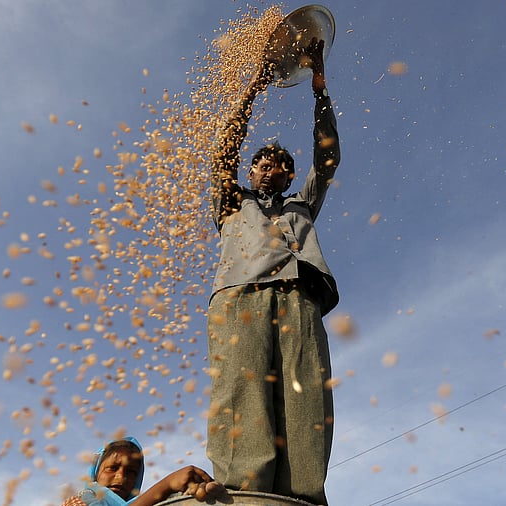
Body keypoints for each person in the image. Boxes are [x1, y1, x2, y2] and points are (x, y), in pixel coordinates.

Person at [207, 37, 340, 506]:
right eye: (261, 164)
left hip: (299, 300)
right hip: (240, 296)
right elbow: (224, 149)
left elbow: (327, 158)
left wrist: (319, 88)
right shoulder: (231, 202)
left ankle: (302, 497)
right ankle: (245, 495)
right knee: (242, 394)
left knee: (305, 403)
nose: (268, 170)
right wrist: (252, 88)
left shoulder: (302, 205)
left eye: (279, 166)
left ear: (288, 176)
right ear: (251, 170)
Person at [61, 437, 224, 506]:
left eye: (131, 472)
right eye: (112, 468)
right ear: (95, 472)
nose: (121, 477)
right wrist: (167, 485)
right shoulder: (80, 499)